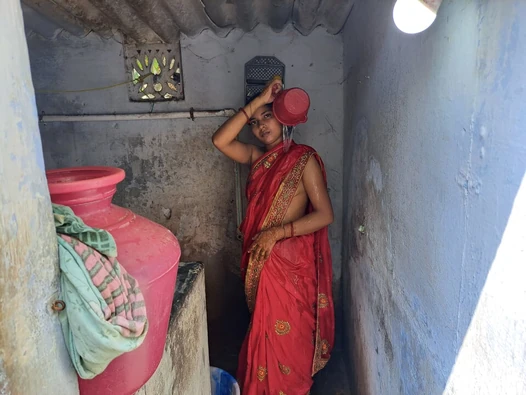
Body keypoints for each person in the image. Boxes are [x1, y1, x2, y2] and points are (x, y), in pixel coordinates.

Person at [212, 78, 335, 395]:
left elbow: (324, 215)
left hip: (290, 266)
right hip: (263, 264)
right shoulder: (256, 157)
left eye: (267, 116)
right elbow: (221, 141)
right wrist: (257, 102)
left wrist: (276, 233)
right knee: (264, 332)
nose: (260, 126)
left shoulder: (303, 159)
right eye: (254, 122)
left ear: (283, 116)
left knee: (290, 335)